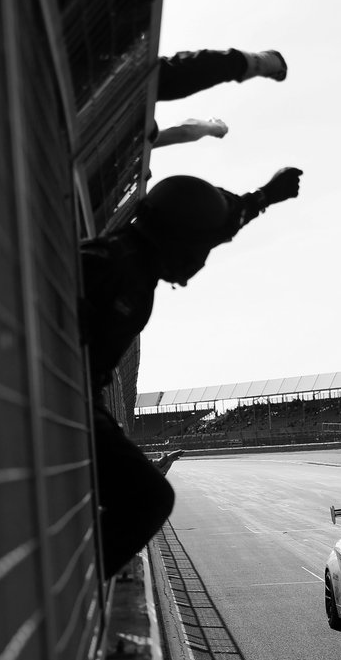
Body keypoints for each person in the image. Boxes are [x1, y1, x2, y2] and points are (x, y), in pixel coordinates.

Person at [83, 169, 302, 576]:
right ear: (178, 241)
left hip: (80, 400)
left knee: (145, 495)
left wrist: (267, 195)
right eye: (201, 249)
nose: (202, 261)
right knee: (149, 498)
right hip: (63, 402)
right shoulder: (108, 264)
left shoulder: (145, 248)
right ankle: (75, 590)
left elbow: (224, 220)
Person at [151, 49, 287, 148]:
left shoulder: (139, 145)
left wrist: (214, 128)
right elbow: (185, 132)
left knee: (173, 75)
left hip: (142, 83)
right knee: (174, 75)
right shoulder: (140, 143)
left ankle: (255, 63)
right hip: (143, 81)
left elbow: (184, 132)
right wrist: (214, 127)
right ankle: (254, 63)